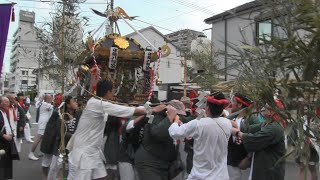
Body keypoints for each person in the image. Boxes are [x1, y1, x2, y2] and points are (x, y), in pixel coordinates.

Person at [66, 79, 164, 180]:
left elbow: (122, 108)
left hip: (92, 152)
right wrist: (153, 110)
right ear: (108, 92)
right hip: (83, 154)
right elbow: (124, 110)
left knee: (103, 177)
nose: (113, 94)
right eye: (112, 91)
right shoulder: (96, 104)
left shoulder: (98, 103)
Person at [168, 93, 232, 180]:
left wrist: (175, 120)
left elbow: (174, 133)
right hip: (221, 176)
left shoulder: (198, 124)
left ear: (207, 108)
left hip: (200, 176)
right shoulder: (227, 123)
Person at [231, 102, 286, 180]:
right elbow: (249, 129)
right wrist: (229, 122)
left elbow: (254, 139)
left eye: (266, 108)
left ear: (272, 112)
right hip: (263, 167)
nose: (263, 110)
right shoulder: (267, 124)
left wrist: (237, 133)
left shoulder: (274, 127)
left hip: (269, 171)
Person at [46, 96, 82, 180]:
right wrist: (73, 136)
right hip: (61, 145)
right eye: (73, 101)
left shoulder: (79, 114)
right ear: (68, 105)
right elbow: (60, 132)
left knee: (72, 168)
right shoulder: (61, 115)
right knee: (54, 167)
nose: (76, 103)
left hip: (73, 146)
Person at [227, 93, 258, 180]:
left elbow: (256, 139)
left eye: (233, 101)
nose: (231, 103)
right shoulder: (233, 117)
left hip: (242, 158)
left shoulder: (252, 118)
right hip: (231, 157)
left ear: (240, 104)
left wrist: (248, 157)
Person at [28, 94, 54, 160]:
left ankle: (41, 151)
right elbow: (53, 108)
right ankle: (31, 153)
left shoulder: (46, 104)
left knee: (43, 138)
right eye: (51, 98)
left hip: (45, 123)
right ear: (47, 99)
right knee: (38, 138)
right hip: (43, 123)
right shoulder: (46, 104)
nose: (52, 99)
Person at [0, 96, 14, 179]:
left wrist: (11, 133)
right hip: (1, 142)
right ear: (0, 103)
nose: (8, 104)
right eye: (6, 102)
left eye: (8, 102)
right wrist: (4, 135)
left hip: (7, 142)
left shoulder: (5, 113)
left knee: (6, 164)